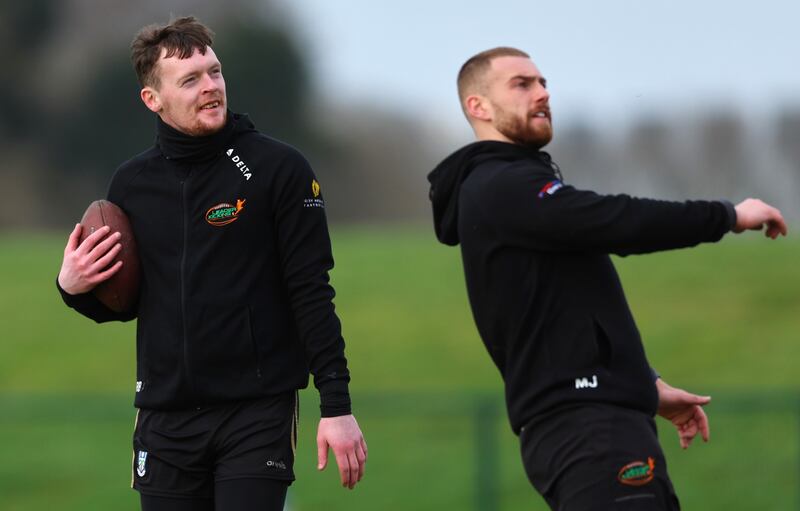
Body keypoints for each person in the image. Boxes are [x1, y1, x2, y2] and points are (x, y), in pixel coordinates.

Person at [427, 47, 787, 510]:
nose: (542, 93)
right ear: (478, 106)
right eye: (522, 84)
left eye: (543, 82)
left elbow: (570, 306)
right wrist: (727, 215)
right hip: (588, 431)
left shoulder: (513, 191)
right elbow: (617, 220)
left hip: (596, 423)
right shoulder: (501, 185)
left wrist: (643, 383)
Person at [56, 16, 366, 511]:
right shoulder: (130, 184)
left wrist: (337, 405)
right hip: (164, 417)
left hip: (256, 414)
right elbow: (123, 302)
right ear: (152, 99)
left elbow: (311, 291)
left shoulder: (278, 169)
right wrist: (72, 287)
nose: (211, 87)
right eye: (191, 79)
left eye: (215, 72)